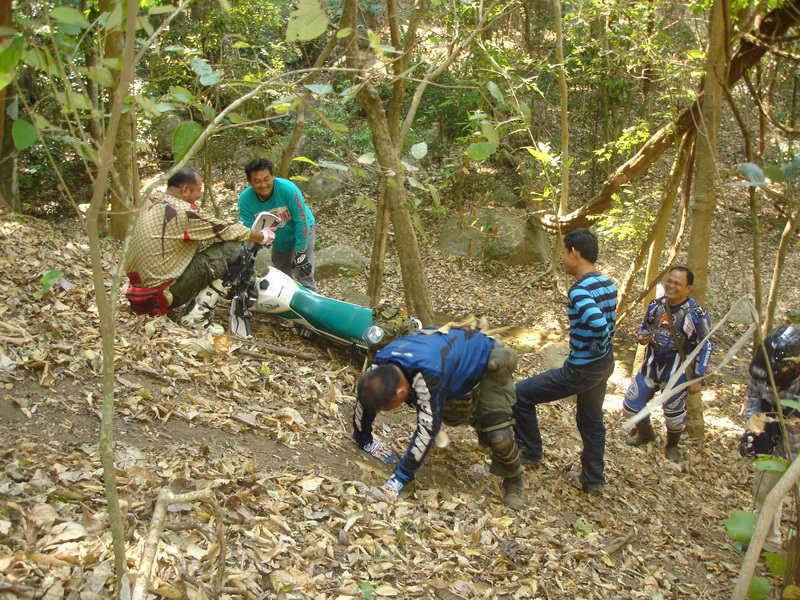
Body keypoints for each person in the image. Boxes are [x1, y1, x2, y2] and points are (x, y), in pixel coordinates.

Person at [353, 327, 526, 510]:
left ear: (402, 392)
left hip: (488, 361)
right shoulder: (378, 364)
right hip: (453, 364)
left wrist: (401, 477)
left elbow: (427, 429)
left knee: (498, 436)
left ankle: (514, 479)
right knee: (454, 418)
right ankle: (477, 418)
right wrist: (364, 439)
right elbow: (366, 401)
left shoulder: (428, 374)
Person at [512, 228, 617, 495]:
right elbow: (608, 323)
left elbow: (599, 325)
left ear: (575, 253)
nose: (561, 258)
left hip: (582, 369)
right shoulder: (608, 284)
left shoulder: (579, 291)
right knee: (591, 420)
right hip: (604, 364)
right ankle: (593, 479)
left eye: (563, 252)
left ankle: (530, 452)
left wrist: (597, 345)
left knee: (519, 394)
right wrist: (603, 349)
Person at [125, 167, 275, 334]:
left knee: (195, 241)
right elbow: (225, 230)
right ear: (185, 190)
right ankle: (196, 316)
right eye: (199, 190)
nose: (200, 194)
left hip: (137, 293)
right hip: (162, 295)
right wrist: (262, 236)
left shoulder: (150, 200)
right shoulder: (184, 211)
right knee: (233, 248)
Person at [623, 266, 713, 460]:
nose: (671, 286)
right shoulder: (655, 306)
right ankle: (645, 433)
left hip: (678, 372)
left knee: (673, 414)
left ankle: (672, 445)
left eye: (677, 283)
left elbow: (706, 345)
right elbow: (645, 327)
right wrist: (642, 337)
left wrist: (698, 377)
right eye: (669, 281)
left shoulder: (696, 314)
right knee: (631, 405)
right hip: (650, 366)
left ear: (688, 288)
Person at [739, 324, 800, 554]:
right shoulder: (760, 369)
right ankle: (765, 541)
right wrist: (752, 429)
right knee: (764, 492)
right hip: (772, 443)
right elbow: (753, 398)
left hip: (797, 444)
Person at [237, 158, 318, 292]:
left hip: (302, 230)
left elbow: (301, 221)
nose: (263, 185)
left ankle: (312, 301)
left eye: (266, 179)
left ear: (273, 176)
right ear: (249, 182)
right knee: (282, 276)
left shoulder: (288, 189)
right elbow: (250, 232)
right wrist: (248, 263)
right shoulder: (245, 200)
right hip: (279, 237)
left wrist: (300, 252)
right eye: (257, 181)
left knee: (304, 273)